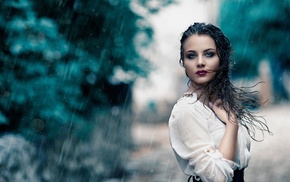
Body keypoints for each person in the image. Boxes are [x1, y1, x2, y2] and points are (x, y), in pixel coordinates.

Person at [168, 23, 271, 182]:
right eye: (191, 55)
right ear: (183, 62)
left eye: (209, 54)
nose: (200, 62)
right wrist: (232, 124)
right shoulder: (186, 111)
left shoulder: (219, 102)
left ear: (221, 58)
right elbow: (218, 177)